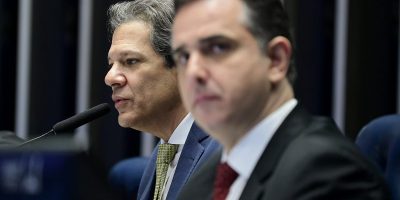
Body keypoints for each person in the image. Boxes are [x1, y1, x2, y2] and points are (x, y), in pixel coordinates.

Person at [171, 0, 390, 199]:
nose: (193, 72)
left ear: (276, 60)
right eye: (183, 57)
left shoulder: (326, 172)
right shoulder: (203, 182)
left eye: (218, 47)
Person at [105, 1, 219, 200]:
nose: (111, 77)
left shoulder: (222, 153)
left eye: (130, 61)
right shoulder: (163, 154)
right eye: (112, 64)